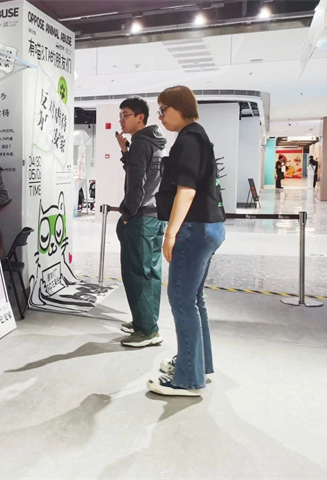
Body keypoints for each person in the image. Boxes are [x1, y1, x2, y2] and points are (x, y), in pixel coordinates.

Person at [148, 85, 225, 397]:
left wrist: (170, 234)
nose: (160, 116)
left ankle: (188, 379)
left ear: (179, 108)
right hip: (209, 226)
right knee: (194, 299)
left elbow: (187, 190)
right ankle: (197, 365)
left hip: (195, 228)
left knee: (181, 299)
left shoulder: (189, 140)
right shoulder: (199, 136)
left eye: (163, 110)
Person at [114, 97, 167, 348]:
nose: (121, 120)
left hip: (141, 218)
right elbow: (145, 175)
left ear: (140, 117)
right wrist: (125, 153)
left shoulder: (140, 143)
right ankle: (145, 321)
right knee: (151, 273)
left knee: (137, 274)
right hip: (156, 216)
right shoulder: (155, 142)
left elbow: (137, 185)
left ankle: (147, 331)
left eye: (125, 115)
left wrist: (127, 214)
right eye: (120, 115)